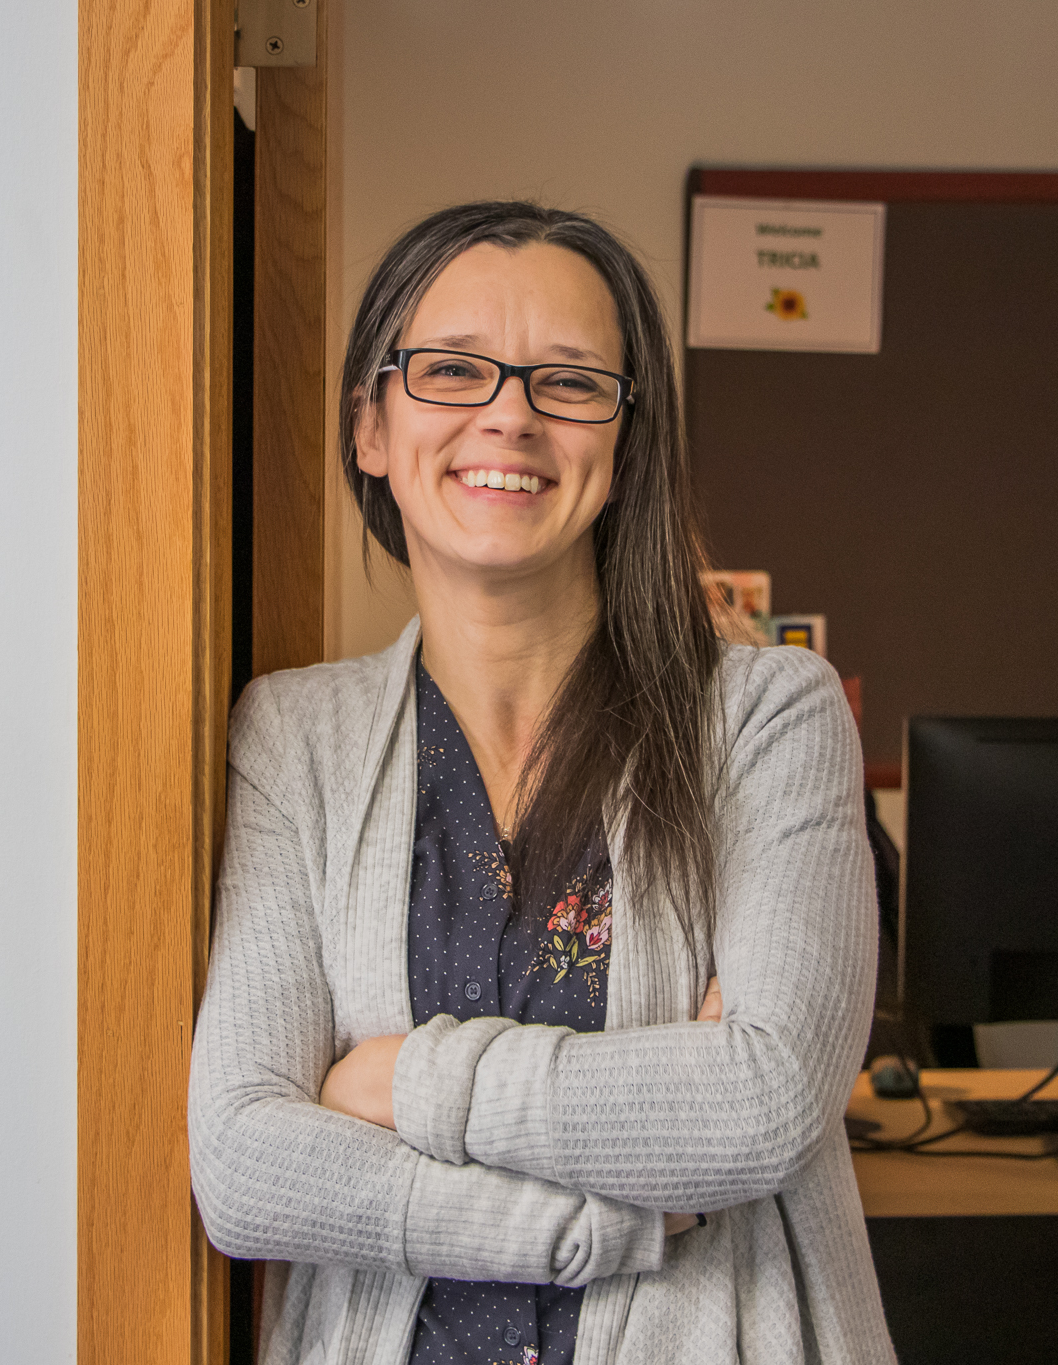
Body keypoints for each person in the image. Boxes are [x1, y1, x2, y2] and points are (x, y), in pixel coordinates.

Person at [189, 201, 893, 1365]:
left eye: (567, 383)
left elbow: (764, 1103)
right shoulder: (293, 740)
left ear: (622, 444)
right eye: (451, 370)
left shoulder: (768, 717)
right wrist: (608, 1218)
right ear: (370, 426)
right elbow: (246, 1168)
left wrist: (401, 1082)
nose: (507, 416)